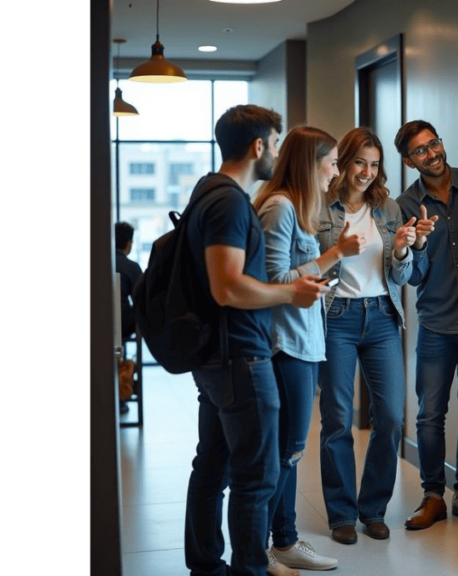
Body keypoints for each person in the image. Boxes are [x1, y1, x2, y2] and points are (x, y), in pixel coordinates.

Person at [184, 104, 331, 576]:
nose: (277, 149)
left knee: (212, 466)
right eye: (274, 139)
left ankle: (207, 566)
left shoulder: (207, 191)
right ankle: (251, 568)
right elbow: (227, 285)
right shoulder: (229, 200)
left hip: (216, 353)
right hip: (240, 354)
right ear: (258, 146)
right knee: (255, 476)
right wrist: (293, 291)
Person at [317, 127, 417, 545]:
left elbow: (403, 275)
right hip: (336, 317)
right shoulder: (321, 207)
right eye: (360, 162)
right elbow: (306, 266)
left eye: (375, 165)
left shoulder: (389, 208)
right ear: (343, 162)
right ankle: (341, 514)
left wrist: (401, 249)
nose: (367, 173)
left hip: (381, 317)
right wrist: (335, 250)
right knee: (337, 420)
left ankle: (372, 509)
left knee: (391, 417)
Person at [252, 126, 345, 576]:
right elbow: (272, 280)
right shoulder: (280, 207)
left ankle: (284, 541)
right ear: (312, 162)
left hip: (304, 344)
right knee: (284, 452)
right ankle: (266, 549)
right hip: (284, 346)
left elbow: (294, 278)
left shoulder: (298, 207)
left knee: (290, 451)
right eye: (332, 162)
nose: (337, 171)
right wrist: (330, 258)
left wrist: (321, 277)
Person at [393, 120, 458, 530]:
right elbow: (411, 276)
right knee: (430, 414)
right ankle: (432, 495)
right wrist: (419, 244)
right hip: (437, 321)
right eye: (421, 151)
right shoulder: (405, 206)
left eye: (434, 144)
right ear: (409, 161)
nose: (433, 153)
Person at [114, 221, 143, 342]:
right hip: (123, 323)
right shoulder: (131, 266)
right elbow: (141, 298)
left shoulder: (99, 263)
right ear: (128, 243)